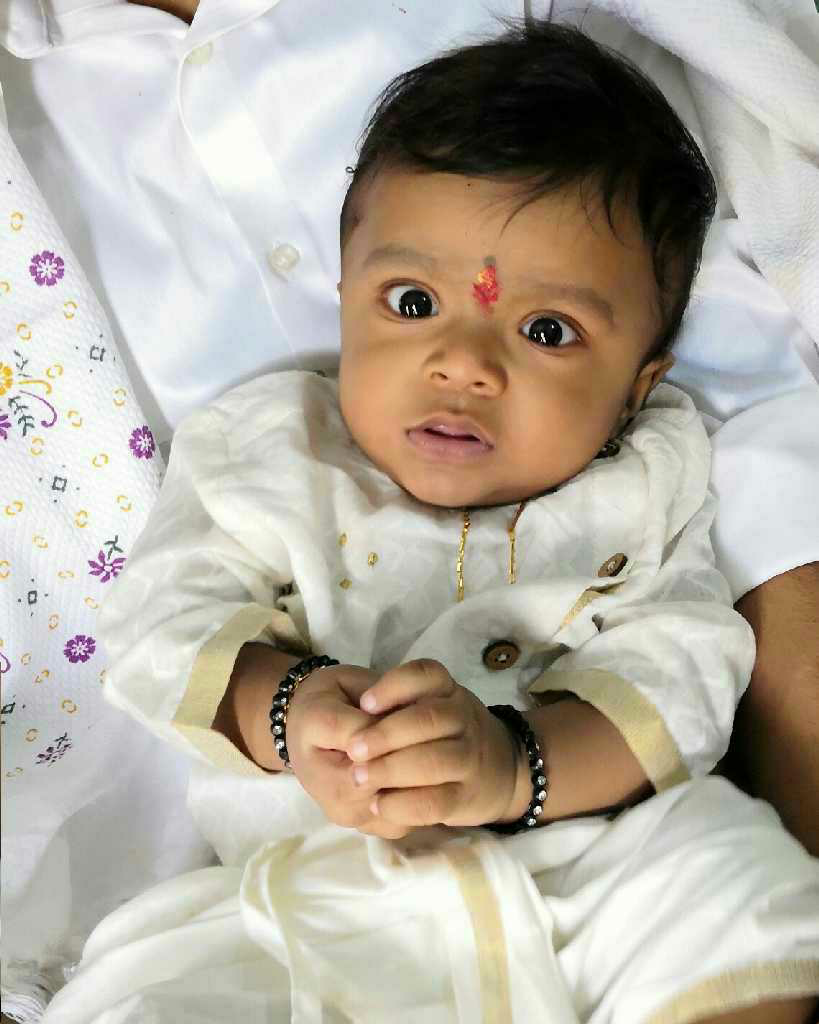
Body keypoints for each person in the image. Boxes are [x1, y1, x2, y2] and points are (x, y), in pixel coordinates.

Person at [41, 22, 819, 1024]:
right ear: (344, 302)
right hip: (304, 897)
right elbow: (159, 624)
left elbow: (682, 673)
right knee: (140, 987)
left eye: (546, 330)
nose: (465, 363)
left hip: (581, 866)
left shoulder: (651, 477)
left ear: (637, 384)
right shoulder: (269, 448)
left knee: (739, 885)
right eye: (411, 302)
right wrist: (289, 707)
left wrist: (514, 767)